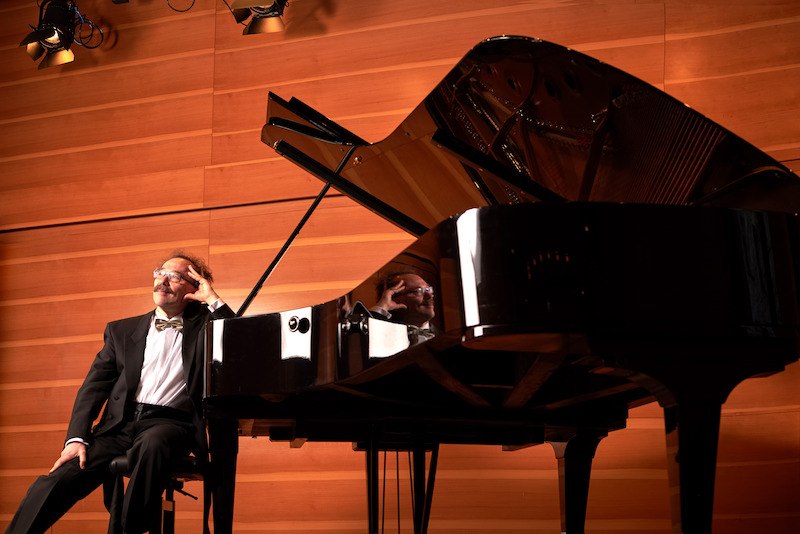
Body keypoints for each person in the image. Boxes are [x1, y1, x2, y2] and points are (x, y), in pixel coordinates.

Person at [7, 251, 235, 534]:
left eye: (174, 277)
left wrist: (213, 300)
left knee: (152, 443)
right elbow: (94, 387)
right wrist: (76, 438)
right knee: (55, 481)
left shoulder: (207, 328)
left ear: (194, 287)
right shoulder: (121, 331)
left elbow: (240, 343)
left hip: (170, 425)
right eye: (159, 273)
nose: (162, 281)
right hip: (119, 427)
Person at [371, 271, 437, 344]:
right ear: (393, 298)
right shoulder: (379, 336)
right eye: (418, 291)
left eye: (428, 289)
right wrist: (382, 307)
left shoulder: (446, 339)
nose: (430, 296)